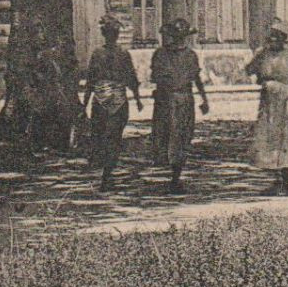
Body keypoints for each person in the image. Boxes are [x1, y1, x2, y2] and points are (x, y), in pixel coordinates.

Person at [81, 14, 144, 191]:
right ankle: (107, 173)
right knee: (113, 137)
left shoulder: (98, 54)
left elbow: (90, 80)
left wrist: (84, 104)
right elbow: (131, 78)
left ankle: (105, 173)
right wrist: (137, 98)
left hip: (102, 97)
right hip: (116, 98)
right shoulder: (122, 54)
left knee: (102, 136)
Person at [150, 18, 210, 193]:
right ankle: (172, 175)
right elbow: (156, 78)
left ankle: (175, 176)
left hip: (179, 100)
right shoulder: (162, 54)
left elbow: (196, 78)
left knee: (180, 136)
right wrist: (203, 99)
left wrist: (204, 99)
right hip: (172, 100)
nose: (177, 40)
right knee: (168, 135)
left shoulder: (187, 55)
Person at [246, 24, 288, 194]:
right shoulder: (263, 55)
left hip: (287, 101)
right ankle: (276, 180)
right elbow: (249, 70)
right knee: (269, 141)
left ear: (284, 39)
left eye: (278, 36)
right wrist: (258, 57)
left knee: (286, 140)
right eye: (271, 36)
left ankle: (284, 182)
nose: (273, 39)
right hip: (269, 103)